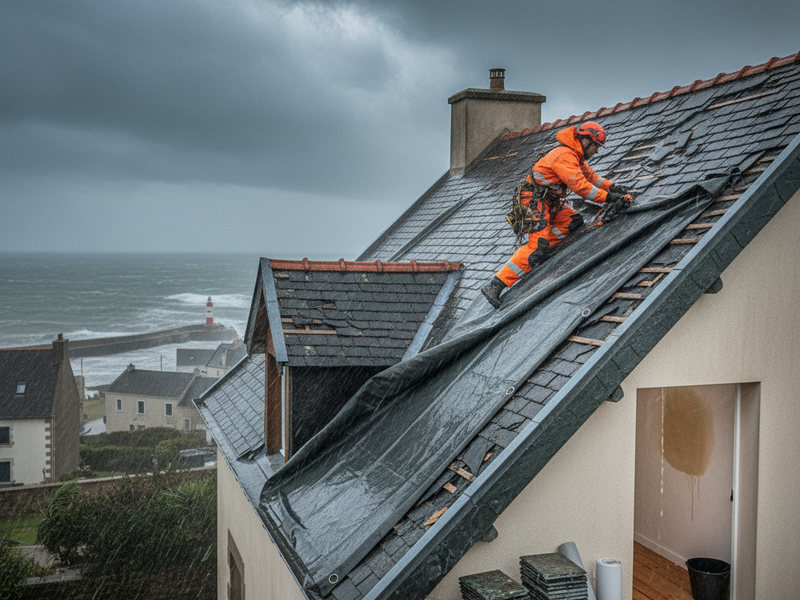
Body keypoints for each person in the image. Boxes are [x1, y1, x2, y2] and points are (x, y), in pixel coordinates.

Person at [481, 122, 632, 309]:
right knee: (537, 247)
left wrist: (611, 187)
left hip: (548, 202)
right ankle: (496, 285)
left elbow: (591, 177)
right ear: (585, 141)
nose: (597, 151)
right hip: (534, 202)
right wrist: (609, 198)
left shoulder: (575, 156)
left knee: (573, 221)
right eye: (596, 146)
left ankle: (542, 250)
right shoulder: (565, 156)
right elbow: (581, 187)